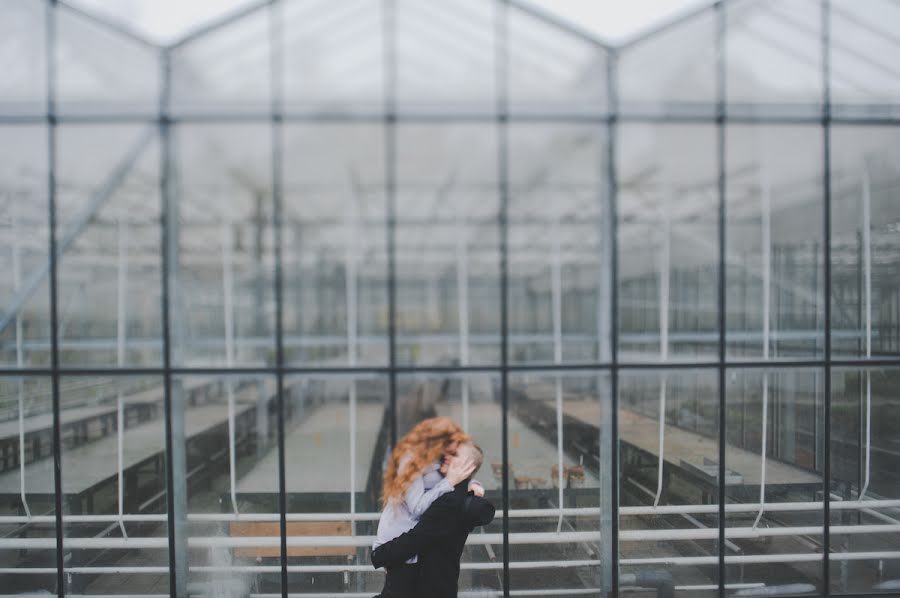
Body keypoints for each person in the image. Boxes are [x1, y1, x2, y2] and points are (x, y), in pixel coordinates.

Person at [373, 417, 483, 597]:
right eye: (452, 443)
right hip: (396, 537)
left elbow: (457, 472)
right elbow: (418, 507)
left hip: (411, 544)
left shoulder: (438, 461)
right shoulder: (411, 462)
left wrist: (473, 482)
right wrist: (450, 482)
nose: (454, 447)